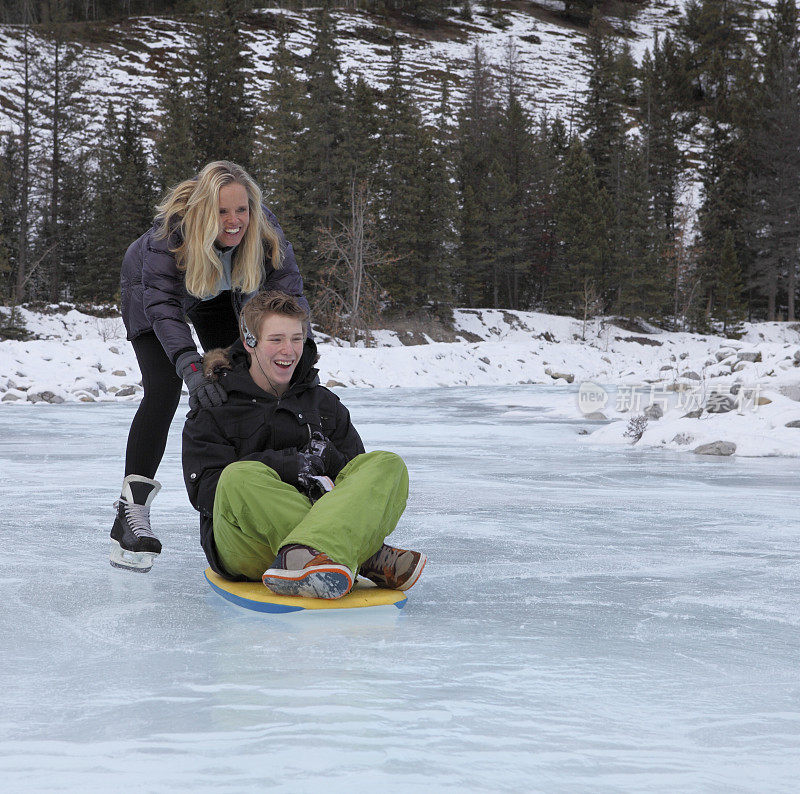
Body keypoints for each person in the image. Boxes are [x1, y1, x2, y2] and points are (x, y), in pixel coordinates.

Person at [111, 161, 309, 573]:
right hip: (151, 297)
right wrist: (189, 365)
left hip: (217, 295)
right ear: (204, 211)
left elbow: (288, 291)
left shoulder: (265, 231)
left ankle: (249, 501)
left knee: (235, 381)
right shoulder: (167, 240)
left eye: (241, 210)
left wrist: (300, 351)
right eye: (222, 211)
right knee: (165, 390)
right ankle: (130, 516)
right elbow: (163, 307)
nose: (234, 220)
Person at [181, 291, 427, 599]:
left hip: (324, 526)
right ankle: (364, 556)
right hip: (246, 544)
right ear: (250, 342)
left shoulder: (323, 403)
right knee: (236, 478)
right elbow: (206, 493)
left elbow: (356, 485)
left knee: (386, 465)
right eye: (276, 339)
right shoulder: (215, 405)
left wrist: (327, 459)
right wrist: (286, 465)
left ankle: (310, 554)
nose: (289, 350)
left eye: (296, 339)